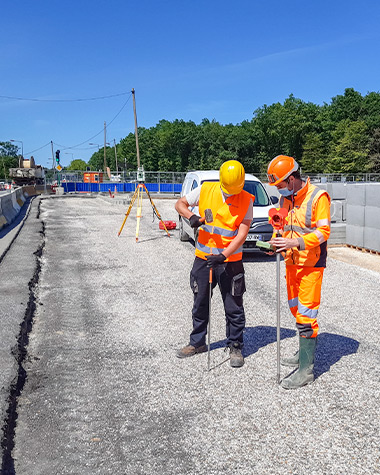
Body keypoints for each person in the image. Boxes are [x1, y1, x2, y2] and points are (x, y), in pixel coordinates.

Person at [175, 160, 254, 367]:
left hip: (230, 262)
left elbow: (242, 233)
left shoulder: (247, 199)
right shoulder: (206, 189)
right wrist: (191, 216)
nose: (232, 194)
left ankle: (235, 345)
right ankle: (197, 342)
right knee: (200, 302)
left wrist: (224, 255)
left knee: (233, 305)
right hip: (203, 259)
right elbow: (179, 204)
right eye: (229, 190)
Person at [267, 155, 331, 389]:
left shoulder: (318, 197)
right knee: (295, 309)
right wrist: (276, 241)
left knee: (306, 316)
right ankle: (302, 354)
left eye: (280, 185)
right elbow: (283, 228)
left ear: (292, 179)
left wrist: (296, 244)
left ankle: (306, 371)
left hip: (310, 265)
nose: (279, 190)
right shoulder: (287, 200)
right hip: (291, 263)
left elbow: (324, 232)